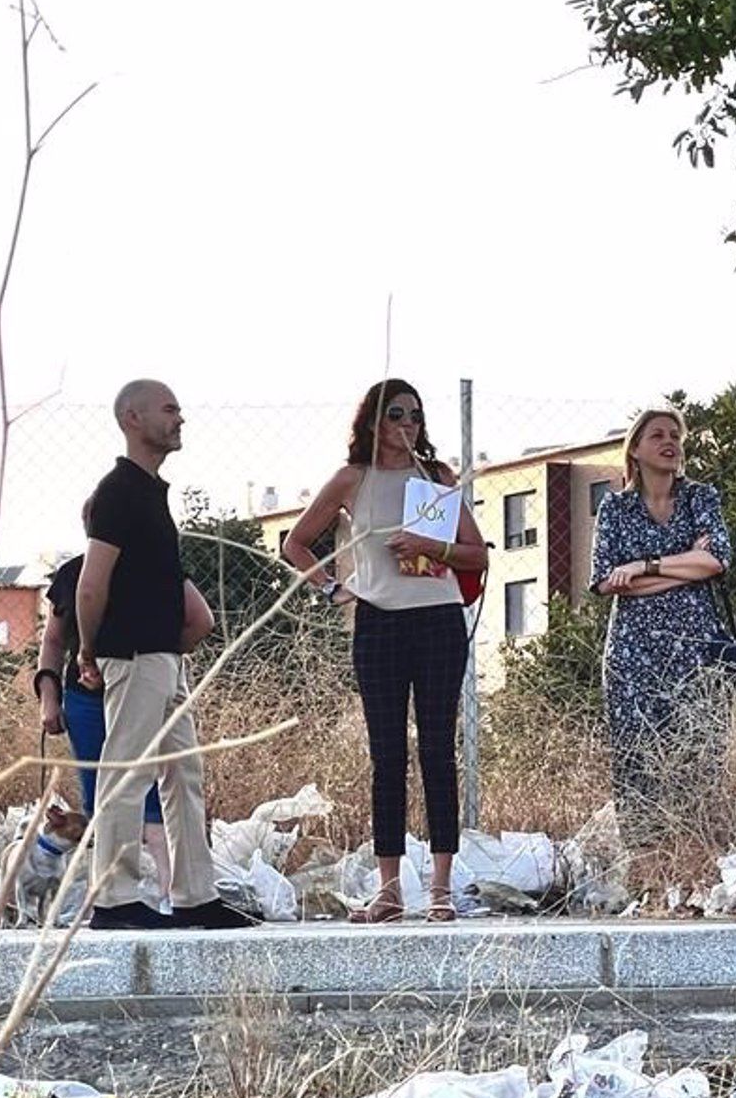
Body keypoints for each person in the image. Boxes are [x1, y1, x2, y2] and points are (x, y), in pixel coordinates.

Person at [283, 379, 487, 922]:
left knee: (437, 750)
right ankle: (389, 889)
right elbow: (295, 542)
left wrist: (428, 545)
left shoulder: (436, 477)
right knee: (387, 755)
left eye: (415, 415)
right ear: (372, 421)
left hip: (438, 617)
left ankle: (440, 888)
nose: (407, 424)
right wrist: (331, 587)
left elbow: (477, 554)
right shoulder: (352, 478)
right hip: (378, 620)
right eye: (396, 414)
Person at [75, 379, 253, 929]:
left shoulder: (151, 492)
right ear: (133, 418)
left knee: (184, 774)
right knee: (127, 773)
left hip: (164, 658)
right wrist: (88, 651)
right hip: (133, 655)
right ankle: (114, 899)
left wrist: (171, 653)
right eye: (169, 409)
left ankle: (196, 895)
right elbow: (91, 583)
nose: (180, 418)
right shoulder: (118, 492)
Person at [38, 499, 215, 908]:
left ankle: (148, 895)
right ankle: (141, 896)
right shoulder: (74, 575)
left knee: (131, 794)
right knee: (123, 793)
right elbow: (52, 640)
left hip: (123, 692)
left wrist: (162, 658)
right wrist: (48, 696)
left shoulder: (149, 571)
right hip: (90, 699)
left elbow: (201, 620)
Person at [589, 406, 732, 837]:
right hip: (633, 652)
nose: (670, 442)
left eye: (675, 435)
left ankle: (696, 856)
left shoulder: (700, 498)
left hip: (695, 647)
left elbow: (717, 560)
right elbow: (605, 581)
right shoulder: (615, 507)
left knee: (698, 755)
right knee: (636, 758)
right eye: (658, 435)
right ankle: (645, 859)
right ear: (634, 448)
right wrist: (687, 566)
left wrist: (643, 567)